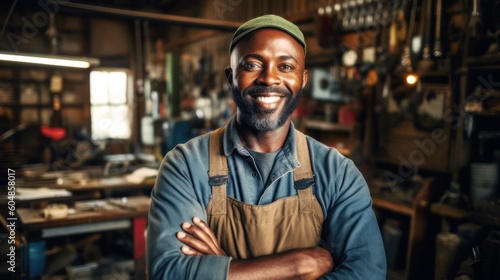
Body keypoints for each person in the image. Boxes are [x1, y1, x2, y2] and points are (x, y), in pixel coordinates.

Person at [147, 15, 386, 279]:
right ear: (231, 76)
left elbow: (367, 272)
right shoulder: (186, 166)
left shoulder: (338, 174)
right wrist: (296, 265)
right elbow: (168, 273)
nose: (269, 78)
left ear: (303, 79)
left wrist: (222, 267)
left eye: (285, 66)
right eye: (251, 64)